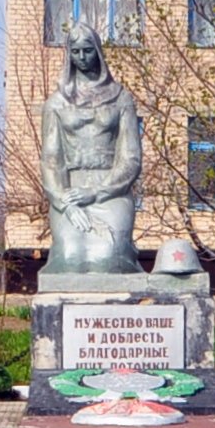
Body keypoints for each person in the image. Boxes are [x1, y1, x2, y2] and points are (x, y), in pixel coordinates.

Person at [38, 20, 145, 279]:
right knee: (71, 257)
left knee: (107, 258)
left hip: (110, 189)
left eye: (87, 50)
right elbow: (52, 161)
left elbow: (131, 158)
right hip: (70, 191)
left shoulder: (121, 98)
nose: (82, 57)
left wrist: (96, 192)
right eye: (75, 52)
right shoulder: (56, 103)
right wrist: (65, 203)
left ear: (97, 51)